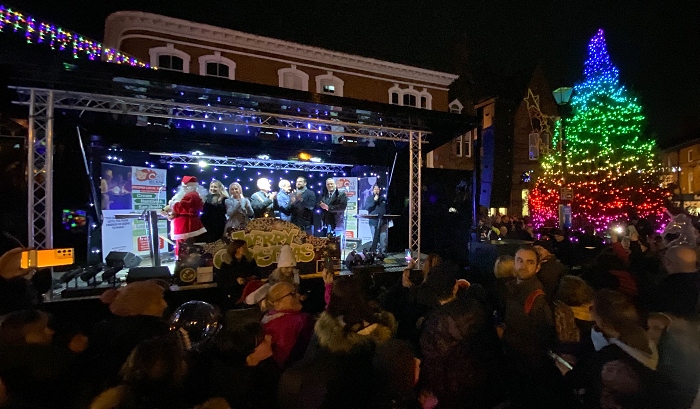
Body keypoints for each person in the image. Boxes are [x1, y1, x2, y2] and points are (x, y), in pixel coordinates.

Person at [558, 290, 659, 409]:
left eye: (592, 308)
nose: (589, 311)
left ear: (603, 320)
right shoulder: (644, 338)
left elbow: (584, 381)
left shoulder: (609, 355)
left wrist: (565, 371)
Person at [262, 282, 314, 369]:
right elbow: (283, 358)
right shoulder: (296, 322)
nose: (298, 295)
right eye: (292, 294)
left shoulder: (268, 317)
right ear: (278, 303)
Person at [163, 176, 207, 258]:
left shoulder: (191, 195)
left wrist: (172, 204)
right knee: (184, 244)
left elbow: (180, 207)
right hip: (185, 223)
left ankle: (182, 262)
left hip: (185, 224)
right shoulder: (192, 194)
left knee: (183, 245)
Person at [364, 184, 388, 253]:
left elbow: (386, 209)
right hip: (373, 222)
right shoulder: (369, 198)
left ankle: (382, 253)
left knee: (383, 239)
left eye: (378, 189)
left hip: (383, 222)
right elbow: (367, 207)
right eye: (375, 189)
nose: (376, 190)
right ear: (372, 190)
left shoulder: (383, 199)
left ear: (380, 190)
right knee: (375, 239)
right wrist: (374, 201)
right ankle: (376, 253)